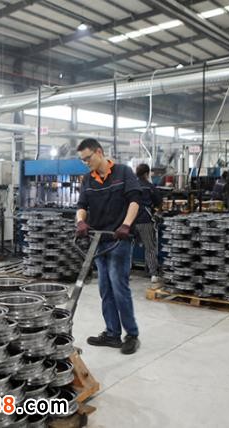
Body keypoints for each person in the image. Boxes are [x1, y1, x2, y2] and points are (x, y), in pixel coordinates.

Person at [75, 138, 142, 355]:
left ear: (99, 152)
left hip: (119, 239)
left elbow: (134, 200)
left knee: (119, 287)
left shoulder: (123, 172)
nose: (86, 163)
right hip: (99, 240)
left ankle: (131, 335)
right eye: (83, 160)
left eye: (88, 158)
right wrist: (80, 221)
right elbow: (82, 205)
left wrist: (126, 225)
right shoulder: (88, 179)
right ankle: (112, 333)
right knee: (105, 288)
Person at [134, 164, 162, 283]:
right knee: (150, 247)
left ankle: (124, 272)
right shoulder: (149, 187)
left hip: (130, 221)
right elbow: (159, 202)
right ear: (146, 173)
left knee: (128, 247)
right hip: (145, 220)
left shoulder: (132, 186)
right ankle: (153, 274)